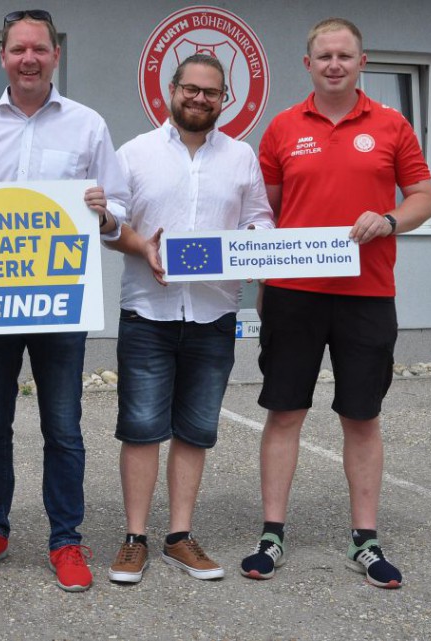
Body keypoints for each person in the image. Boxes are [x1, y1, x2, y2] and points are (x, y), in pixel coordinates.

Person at [242, 17, 431, 589]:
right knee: (284, 413)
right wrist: (254, 262)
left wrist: (391, 219)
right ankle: (272, 535)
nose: (334, 64)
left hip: (366, 295)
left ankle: (366, 540)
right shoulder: (281, 127)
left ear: (362, 62)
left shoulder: (392, 124)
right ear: (307, 64)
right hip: (292, 294)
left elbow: (425, 196)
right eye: (323, 56)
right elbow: (265, 212)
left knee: (362, 416)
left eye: (344, 56)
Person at [0, 9, 128, 593]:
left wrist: (105, 210)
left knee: (64, 427)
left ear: (55, 55)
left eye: (39, 48)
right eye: (17, 49)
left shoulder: (88, 126)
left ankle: (66, 539)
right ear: (3, 56)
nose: (28, 58)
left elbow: (120, 209)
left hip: (60, 303)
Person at [102, 54, 274, 585]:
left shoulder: (242, 157)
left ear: (224, 99)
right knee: (141, 429)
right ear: (170, 90)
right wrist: (137, 244)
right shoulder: (133, 153)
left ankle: (179, 536)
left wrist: (252, 245)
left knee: (196, 431)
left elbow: (260, 220)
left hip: (214, 314)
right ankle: (135, 539)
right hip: (148, 313)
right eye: (191, 89)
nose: (200, 99)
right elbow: (111, 225)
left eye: (211, 92)